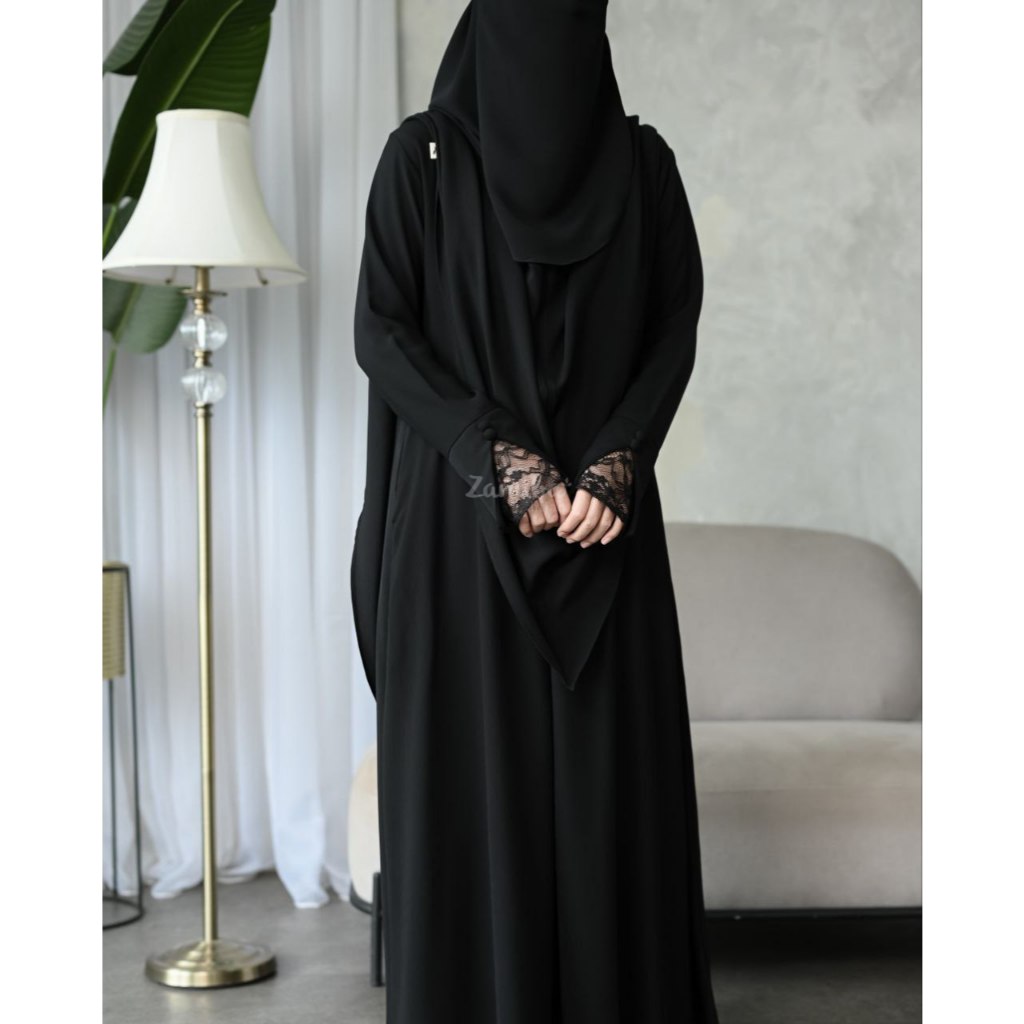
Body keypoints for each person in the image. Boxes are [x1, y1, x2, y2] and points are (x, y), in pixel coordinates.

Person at [350, 1, 720, 1021]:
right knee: (474, 793)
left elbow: (673, 326)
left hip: (605, 536)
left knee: (609, 803)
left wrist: (615, 462)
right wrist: (502, 459)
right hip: (460, 538)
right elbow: (382, 330)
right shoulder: (421, 163)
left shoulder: (644, 170)